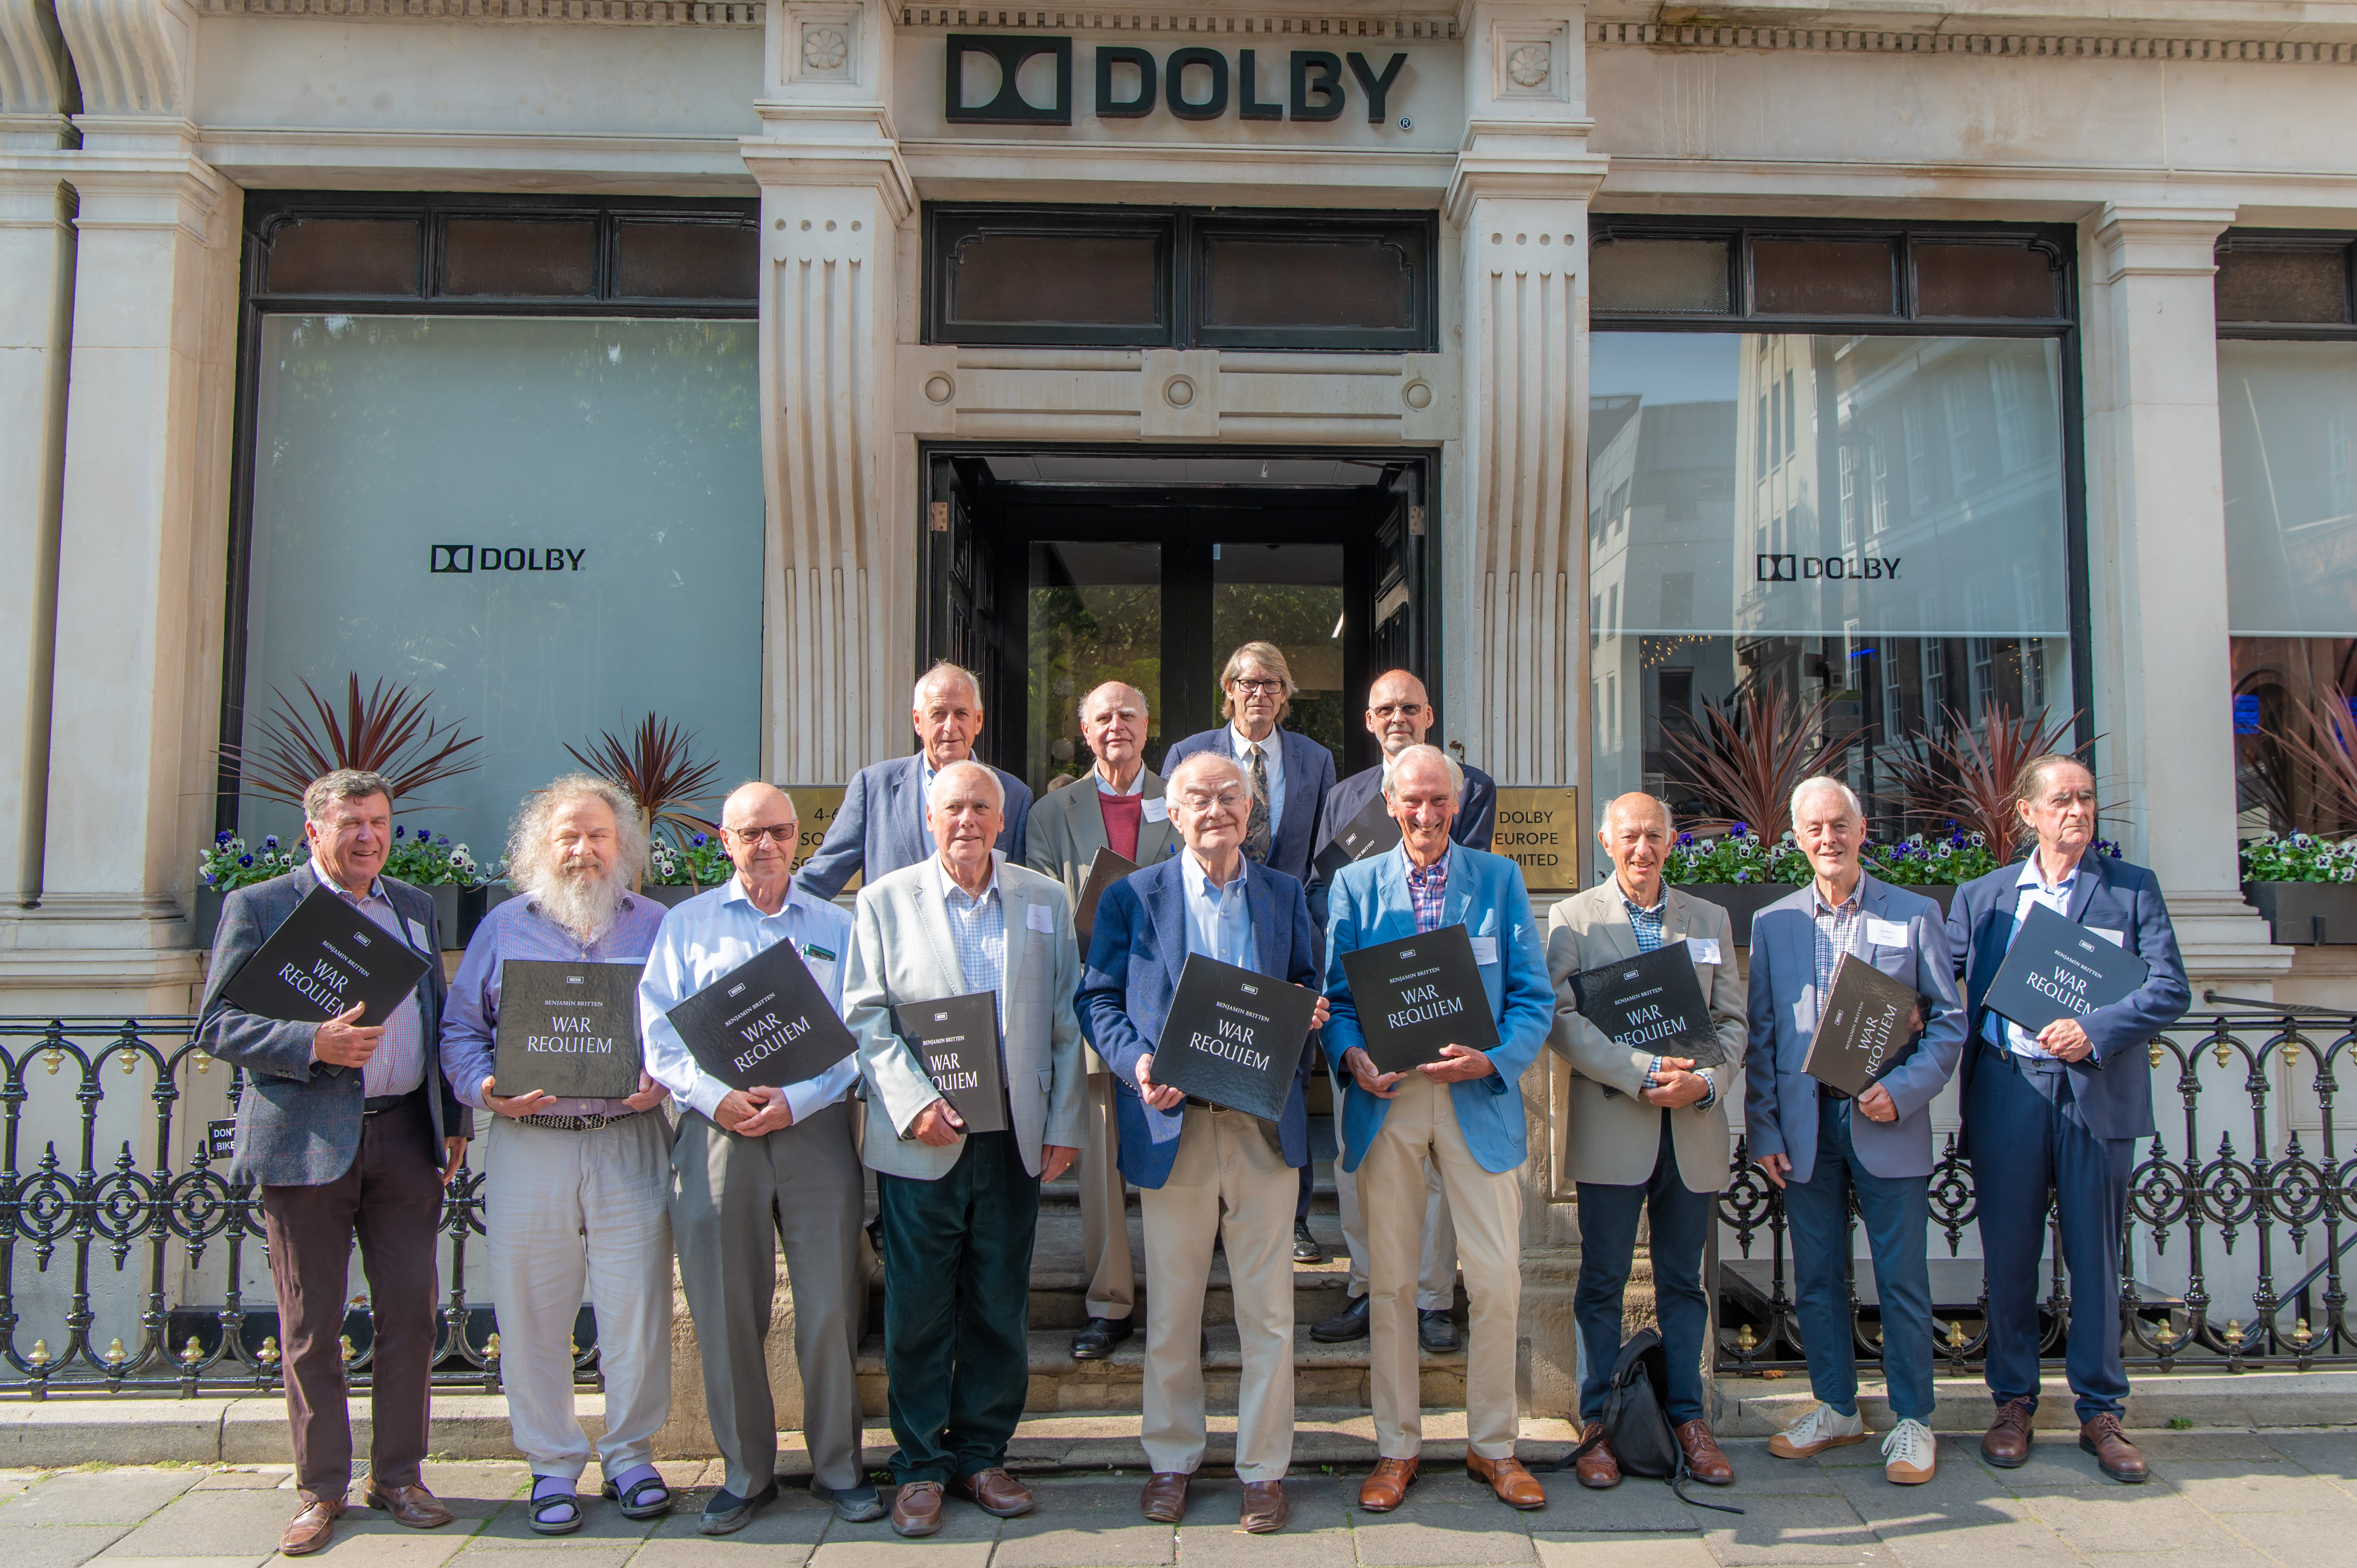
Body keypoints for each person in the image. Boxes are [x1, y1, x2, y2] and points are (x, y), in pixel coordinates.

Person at [194, 769, 471, 1556]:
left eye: (380, 822)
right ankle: (321, 1488)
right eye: (352, 823)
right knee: (313, 1324)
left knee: (412, 1315)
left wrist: (453, 1119)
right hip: (305, 1140)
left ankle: (400, 1475)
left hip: (406, 1142)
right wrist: (308, 1042)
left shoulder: (413, 906)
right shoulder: (262, 905)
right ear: (313, 829)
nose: (369, 837)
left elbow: (435, 1015)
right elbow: (216, 1022)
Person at [1077, 752, 1329, 1533]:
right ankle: (1172, 1458)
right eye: (1198, 798)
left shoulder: (1286, 894)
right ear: (1172, 812)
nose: (1215, 808)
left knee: (1269, 1312)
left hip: (1260, 1128)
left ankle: (1263, 1469)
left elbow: (1308, 982)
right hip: (1171, 1125)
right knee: (1174, 1309)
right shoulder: (1132, 896)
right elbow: (1098, 998)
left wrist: (1307, 1015)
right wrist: (1137, 1061)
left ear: (1251, 810)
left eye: (1230, 796)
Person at [844, 760, 1085, 1538]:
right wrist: (913, 1106)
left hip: (1011, 1139)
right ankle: (918, 1466)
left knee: (997, 1303)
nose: (968, 819)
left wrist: (1062, 1122)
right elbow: (866, 1017)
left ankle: (984, 1452)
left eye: (982, 805)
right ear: (928, 817)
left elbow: (1064, 1021)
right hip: (923, 1141)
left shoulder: (1043, 900)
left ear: (1003, 818)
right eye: (953, 807)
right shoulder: (884, 901)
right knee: (917, 1311)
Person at [637, 782, 882, 1533]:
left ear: (799, 840)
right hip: (718, 1134)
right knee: (724, 1305)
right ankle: (747, 1473)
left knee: (830, 1305)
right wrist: (717, 1099)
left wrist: (796, 1100)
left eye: (779, 830)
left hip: (814, 1129)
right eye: (751, 833)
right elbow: (659, 1036)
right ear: (725, 840)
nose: (767, 844)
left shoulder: (836, 925)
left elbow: (859, 1030)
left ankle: (839, 1465)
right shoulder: (686, 925)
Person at [440, 776, 677, 1532]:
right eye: (568, 836)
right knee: (531, 1309)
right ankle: (549, 1464)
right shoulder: (504, 927)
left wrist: (661, 1076)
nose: (583, 849)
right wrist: (483, 1085)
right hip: (530, 1140)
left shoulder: (658, 924)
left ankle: (632, 1454)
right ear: (540, 848)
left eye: (598, 835)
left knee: (636, 1305)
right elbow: (458, 1031)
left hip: (628, 1136)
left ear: (624, 846)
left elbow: (687, 1022)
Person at [1321, 745, 1555, 1514]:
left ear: (1457, 805)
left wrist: (1493, 1058)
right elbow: (1337, 998)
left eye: (1438, 802)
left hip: (1474, 1100)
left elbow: (1533, 998)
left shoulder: (1499, 879)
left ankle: (1494, 1444)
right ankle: (1397, 1446)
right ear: (1390, 803)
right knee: (1389, 1283)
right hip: (1390, 1100)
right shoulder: (1354, 886)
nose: (1425, 815)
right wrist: (1351, 1053)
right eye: (1412, 801)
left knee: (1493, 1278)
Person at [1946, 755, 2188, 1484]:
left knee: (2095, 1256)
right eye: (2061, 800)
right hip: (2008, 1092)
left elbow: (2168, 986)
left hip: (2092, 1094)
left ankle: (2101, 1410)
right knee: (2010, 1257)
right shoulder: (1982, 897)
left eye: (2085, 799)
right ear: (2028, 813)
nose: (2077, 811)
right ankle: (2013, 1402)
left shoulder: (2131, 890)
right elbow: (1934, 984)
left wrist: (2096, 1026)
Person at [1746, 776, 1965, 1486]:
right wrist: (1765, 1127)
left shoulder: (1913, 913)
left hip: (1882, 1121)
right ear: (1797, 839)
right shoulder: (1774, 923)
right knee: (1817, 1278)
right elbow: (1764, 1037)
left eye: (1839, 824)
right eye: (1813, 828)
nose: (1827, 838)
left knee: (1900, 1278)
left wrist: (1900, 1091)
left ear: (1862, 829)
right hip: (1808, 1126)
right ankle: (1837, 1407)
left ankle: (1912, 1420)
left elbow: (1949, 1022)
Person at [1545, 792, 1745, 1490]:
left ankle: (1690, 1420)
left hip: (1690, 1130)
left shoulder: (1710, 919)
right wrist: (1637, 1073)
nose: (1642, 848)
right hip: (1614, 1125)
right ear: (1606, 840)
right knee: (1600, 1282)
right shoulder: (1572, 918)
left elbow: (1733, 1023)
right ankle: (1597, 1421)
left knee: (1684, 1284)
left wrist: (1708, 1084)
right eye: (1629, 835)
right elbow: (1562, 1019)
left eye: (1654, 835)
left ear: (1670, 841)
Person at [1310, 668, 1498, 1345]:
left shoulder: (1469, 787)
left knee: (1436, 1156)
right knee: (1358, 1152)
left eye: (1409, 707)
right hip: (1362, 998)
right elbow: (1320, 886)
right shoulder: (1343, 796)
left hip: (1441, 994)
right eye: (1384, 707)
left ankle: (1430, 1297)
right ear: (1368, 719)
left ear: (1428, 713)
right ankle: (1367, 1285)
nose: (1397, 716)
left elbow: (1468, 878)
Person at [1024, 680, 1180, 1362]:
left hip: (1172, 1007)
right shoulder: (1052, 812)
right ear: (1084, 732)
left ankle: (1178, 1306)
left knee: (1179, 1165)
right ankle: (1109, 1303)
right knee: (1101, 1175)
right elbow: (1039, 910)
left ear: (1148, 727)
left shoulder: (1182, 797)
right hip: (1092, 1001)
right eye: (1102, 716)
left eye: (1128, 714)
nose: (1116, 725)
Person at [797, 660, 1034, 899]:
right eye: (938, 714)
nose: (950, 727)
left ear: (979, 721)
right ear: (918, 722)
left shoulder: (1013, 794)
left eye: (961, 713)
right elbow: (820, 879)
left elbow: (1023, 890)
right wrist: (766, 907)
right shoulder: (874, 788)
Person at [1161, 642, 1337, 886]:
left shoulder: (1316, 759)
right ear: (1230, 689)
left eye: (1271, 684)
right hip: (1210, 906)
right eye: (1249, 683)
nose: (1260, 694)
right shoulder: (1188, 755)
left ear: (1284, 693)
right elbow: (1168, 843)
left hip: (1289, 913)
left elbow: (1324, 850)